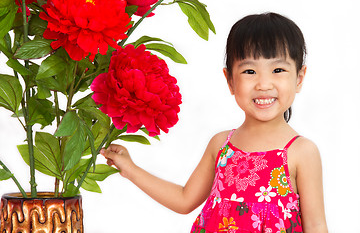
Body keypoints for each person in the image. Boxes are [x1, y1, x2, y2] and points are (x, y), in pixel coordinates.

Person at [100, 12, 328, 232]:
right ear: (230, 80)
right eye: (250, 71)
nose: (263, 84)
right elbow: (184, 200)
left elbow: (316, 226)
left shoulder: (301, 152)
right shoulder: (221, 145)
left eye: (278, 70)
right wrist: (130, 169)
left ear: (299, 78)